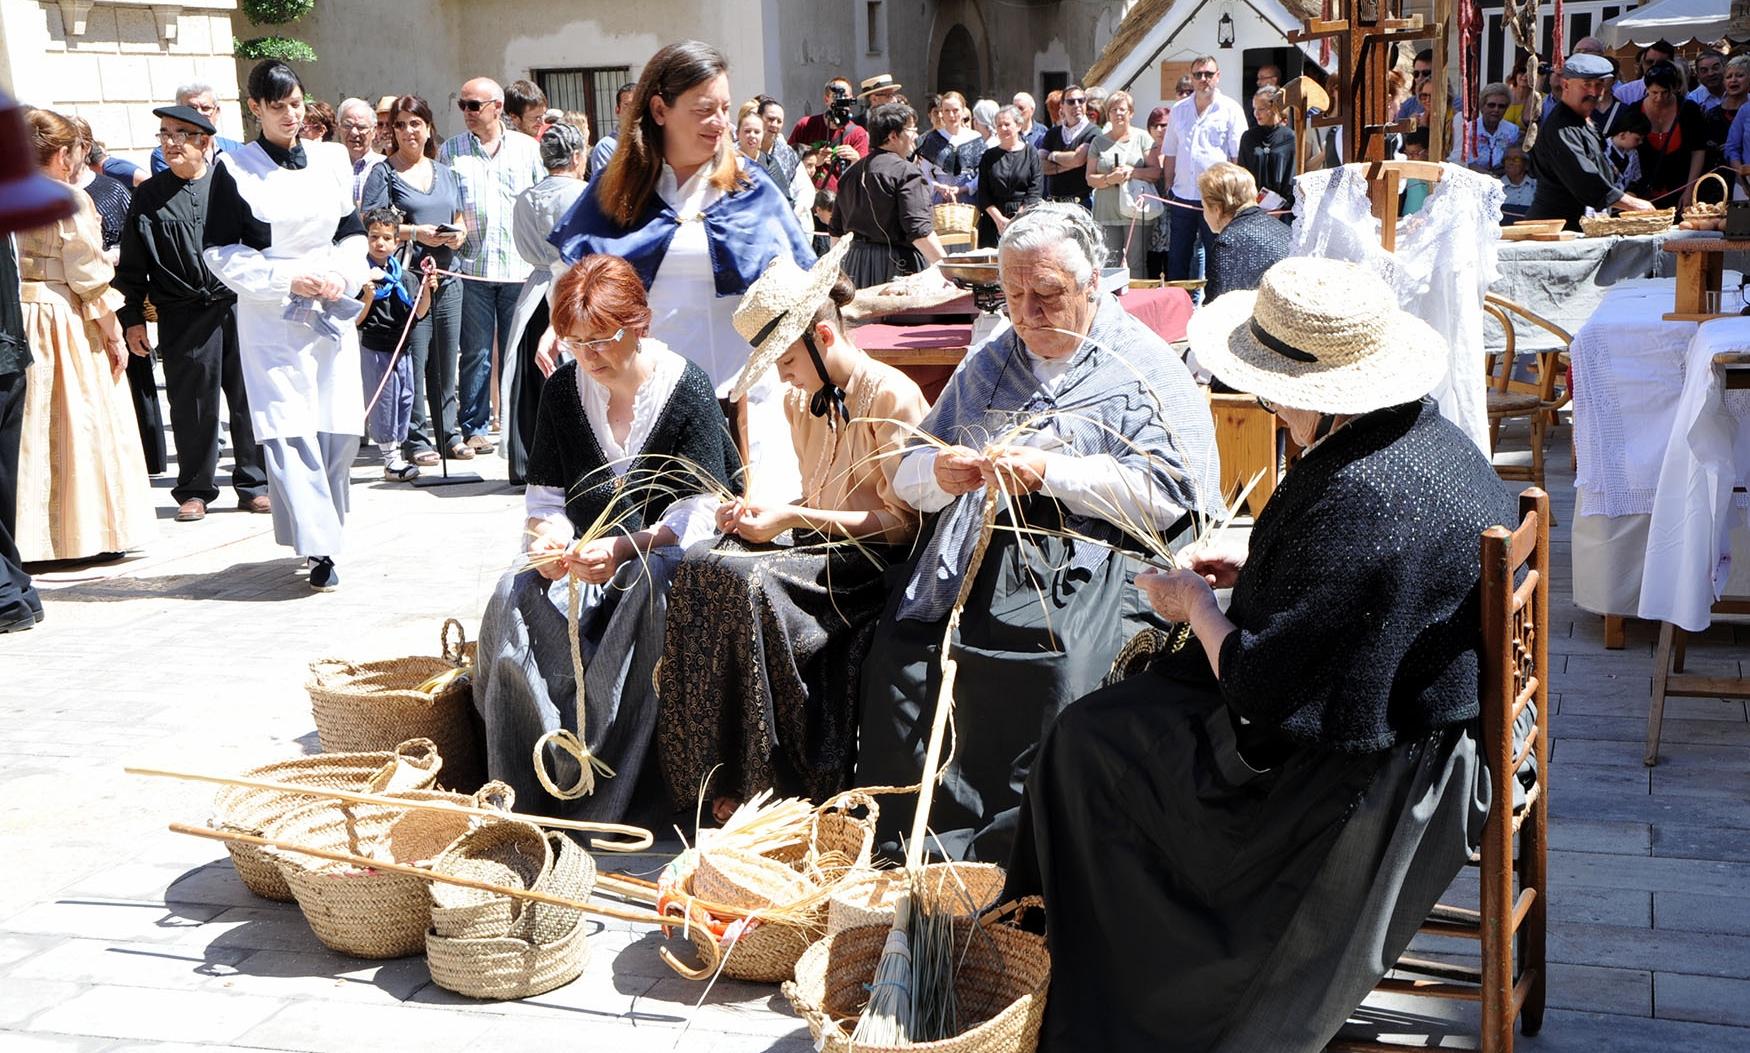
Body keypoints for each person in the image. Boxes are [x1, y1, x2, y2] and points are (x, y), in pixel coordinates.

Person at [1004, 256, 1515, 1053]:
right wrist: (1262, 574)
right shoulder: (1426, 433)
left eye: (1272, 388)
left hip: (1374, 773)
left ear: (1314, 389)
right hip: (1418, 717)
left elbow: (1257, 692)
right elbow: (1367, 592)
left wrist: (1197, 607)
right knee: (1111, 721)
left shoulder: (1362, 489)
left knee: (1084, 745)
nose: (1268, 404)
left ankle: (1120, 980)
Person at [855, 203, 1223, 863]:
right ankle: (914, 854)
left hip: (1105, 563)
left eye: (1046, 295)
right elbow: (907, 473)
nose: (1024, 314)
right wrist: (941, 471)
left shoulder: (1141, 367)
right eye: (1013, 295)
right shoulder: (995, 362)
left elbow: (1173, 495)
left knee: (1060, 668)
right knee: (903, 652)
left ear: (1092, 287)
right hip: (984, 558)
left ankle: (1022, 862)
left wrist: (1051, 471)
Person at [658, 239, 930, 817]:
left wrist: (791, 517)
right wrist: (764, 512)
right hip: (821, 547)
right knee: (707, 560)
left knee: (752, 585)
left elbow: (904, 527)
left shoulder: (893, 396)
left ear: (823, 337)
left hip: (871, 566)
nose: (783, 376)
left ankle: (774, 779)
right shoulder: (800, 399)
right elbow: (818, 494)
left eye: (786, 360)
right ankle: (711, 774)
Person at [472, 254, 741, 822]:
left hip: (660, 560)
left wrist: (624, 547)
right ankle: (526, 785)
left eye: (601, 339)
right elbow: (546, 499)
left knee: (650, 589)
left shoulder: (685, 386)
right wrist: (548, 542)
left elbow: (701, 509)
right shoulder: (563, 392)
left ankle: (611, 791)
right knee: (510, 593)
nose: (588, 355)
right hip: (582, 562)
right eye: (574, 341)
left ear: (639, 323)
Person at [549, 40, 816, 504]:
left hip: (747, 407)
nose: (721, 123)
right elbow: (575, 282)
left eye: (725, 109)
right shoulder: (614, 196)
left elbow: (806, 297)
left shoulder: (755, 193)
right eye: (704, 109)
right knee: (651, 549)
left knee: (743, 553)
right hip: (649, 408)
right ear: (658, 109)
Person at [203, 59, 372, 592]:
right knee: (288, 426)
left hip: (329, 309)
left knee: (337, 426)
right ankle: (319, 545)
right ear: (255, 109)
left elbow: (352, 232)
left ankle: (328, 529)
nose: (290, 116)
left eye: (297, 104)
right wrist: (288, 279)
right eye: (278, 107)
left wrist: (342, 277)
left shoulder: (332, 158)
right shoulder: (235, 168)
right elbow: (219, 250)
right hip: (273, 318)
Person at [114, 103, 269, 523]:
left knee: (246, 397)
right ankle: (196, 489)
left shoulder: (233, 185)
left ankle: (254, 483)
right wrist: (132, 319)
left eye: (179, 134)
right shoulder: (148, 195)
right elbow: (132, 264)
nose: (170, 142)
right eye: (164, 134)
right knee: (191, 404)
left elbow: (261, 243)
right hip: (182, 314)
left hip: (237, 306)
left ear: (205, 141)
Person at [16, 108, 153, 565]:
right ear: (60, 155)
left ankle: (27, 536)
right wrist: (113, 330)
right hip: (63, 313)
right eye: (76, 151)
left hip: (17, 311)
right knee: (81, 417)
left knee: (31, 426)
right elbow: (88, 274)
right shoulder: (67, 199)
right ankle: (82, 534)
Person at [438, 76, 546, 456]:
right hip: (474, 266)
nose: (466, 112)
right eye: (462, 105)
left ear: (497, 107)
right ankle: (475, 427)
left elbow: (541, 198)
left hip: (519, 267)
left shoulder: (527, 149)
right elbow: (446, 202)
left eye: (474, 105)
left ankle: (519, 427)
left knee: (518, 351)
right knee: (476, 352)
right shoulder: (451, 151)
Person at [362, 95, 469, 465]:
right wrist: (413, 232)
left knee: (446, 361)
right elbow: (371, 223)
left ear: (428, 128)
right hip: (410, 283)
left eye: (415, 123)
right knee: (415, 360)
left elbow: (460, 218)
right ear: (392, 130)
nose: (409, 131)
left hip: (448, 277)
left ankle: (449, 433)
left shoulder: (446, 172)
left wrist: (457, 235)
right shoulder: (384, 172)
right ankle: (416, 437)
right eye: (401, 124)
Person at [503, 121, 588, 487]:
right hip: (574, 286)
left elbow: (523, 247)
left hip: (535, 289)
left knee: (528, 378)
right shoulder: (585, 194)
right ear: (576, 155)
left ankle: (527, 461)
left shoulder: (524, 198)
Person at [1527, 53, 1655, 229]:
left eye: (1599, 85)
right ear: (1566, 85)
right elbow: (1585, 179)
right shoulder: (1561, 128)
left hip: (1583, 225)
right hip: (1555, 228)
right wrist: (1633, 204)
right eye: (1586, 85)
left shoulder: (1585, 122)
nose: (1594, 92)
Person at [356, 207, 435, 482]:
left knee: (404, 397)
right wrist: (367, 296)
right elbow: (357, 319)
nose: (380, 243)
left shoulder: (405, 277)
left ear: (396, 242)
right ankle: (389, 459)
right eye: (374, 237)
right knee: (383, 401)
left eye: (387, 238)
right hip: (375, 345)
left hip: (401, 347)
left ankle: (397, 452)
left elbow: (419, 313)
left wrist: (426, 289)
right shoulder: (360, 273)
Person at [831, 102, 947, 288]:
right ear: (893, 136)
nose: (916, 135)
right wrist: (949, 271)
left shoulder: (850, 174)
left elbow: (836, 233)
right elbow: (919, 231)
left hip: (854, 267)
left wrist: (836, 275)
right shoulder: (906, 173)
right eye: (911, 129)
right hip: (896, 269)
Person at [1161, 55, 1246, 294]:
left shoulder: (1231, 109)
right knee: (1178, 258)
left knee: (1217, 257)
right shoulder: (1178, 110)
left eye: (1208, 74)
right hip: (1182, 196)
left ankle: (1215, 310)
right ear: (1192, 78)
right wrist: (1168, 188)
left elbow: (1237, 157)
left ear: (1217, 77)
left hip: (1216, 198)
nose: (1203, 79)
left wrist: (1234, 196)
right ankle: (1176, 310)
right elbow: (1170, 152)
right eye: (1198, 75)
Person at [0, 228, 41, 630]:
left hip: (7, 358)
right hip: (10, 358)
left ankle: (6, 597)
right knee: (1, 488)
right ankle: (16, 588)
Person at [1087, 90, 1159, 278]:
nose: (1118, 113)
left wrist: (1132, 172)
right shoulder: (1098, 141)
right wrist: (1109, 179)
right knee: (1108, 265)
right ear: (1108, 114)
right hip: (1105, 212)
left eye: (1123, 109)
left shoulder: (1143, 138)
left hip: (1135, 210)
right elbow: (1089, 178)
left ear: (1131, 113)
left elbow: (1155, 172)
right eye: (1113, 109)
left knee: (1134, 265)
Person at [1199, 162, 1291, 303]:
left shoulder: (1228, 243)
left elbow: (1216, 309)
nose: (1203, 213)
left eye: (1203, 206)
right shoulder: (1284, 229)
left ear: (1217, 209)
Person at [1636, 62, 1709, 211]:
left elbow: (1698, 151)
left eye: (1665, 92)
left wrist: (1690, 190)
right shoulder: (1635, 111)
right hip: (1644, 193)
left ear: (1675, 88)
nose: (1659, 98)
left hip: (1681, 189)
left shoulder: (1689, 110)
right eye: (1654, 93)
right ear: (1646, 89)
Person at [975, 105, 1044, 249]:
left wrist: (1017, 219)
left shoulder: (1031, 153)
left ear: (1018, 125)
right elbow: (983, 193)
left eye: (1007, 124)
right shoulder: (988, 156)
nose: (1003, 128)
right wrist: (999, 220)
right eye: (999, 125)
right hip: (993, 221)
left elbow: (1035, 190)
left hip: (1025, 218)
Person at [790, 76, 870, 193]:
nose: (841, 100)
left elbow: (864, 174)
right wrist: (813, 160)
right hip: (809, 198)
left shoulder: (858, 133)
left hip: (840, 200)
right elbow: (788, 160)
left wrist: (855, 159)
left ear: (851, 99)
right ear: (826, 99)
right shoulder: (806, 125)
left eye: (845, 96)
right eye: (836, 96)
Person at [150, 82, 243, 174]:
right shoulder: (166, 154)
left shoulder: (237, 150)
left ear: (217, 112)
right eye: (191, 109)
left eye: (206, 108)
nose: (199, 114)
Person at [916, 91, 985, 202]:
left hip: (968, 197)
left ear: (963, 111)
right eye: (947, 111)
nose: (951, 115)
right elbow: (924, 172)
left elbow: (982, 172)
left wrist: (964, 188)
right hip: (941, 197)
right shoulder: (933, 138)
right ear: (942, 112)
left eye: (955, 110)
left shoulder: (975, 138)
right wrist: (938, 187)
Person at [1039, 83, 1100, 208]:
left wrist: (1053, 155)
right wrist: (1067, 164)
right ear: (1062, 106)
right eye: (1071, 102)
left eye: (1081, 101)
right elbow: (1039, 165)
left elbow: (1078, 159)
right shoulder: (1052, 133)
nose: (1077, 105)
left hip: (1082, 203)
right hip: (1054, 204)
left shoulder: (1094, 132)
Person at [1237, 85, 1295, 210]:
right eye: (1254, 109)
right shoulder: (1248, 137)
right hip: (1253, 206)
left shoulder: (1289, 137)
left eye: (1261, 109)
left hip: (1283, 210)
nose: (1256, 113)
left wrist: (1282, 206)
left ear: (1275, 108)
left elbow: (1292, 174)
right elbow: (1242, 172)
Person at [1448, 81, 1520, 176]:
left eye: (1501, 106)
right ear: (1482, 107)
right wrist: (1488, 176)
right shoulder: (1468, 130)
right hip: (1472, 178)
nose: (1496, 109)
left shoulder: (1512, 130)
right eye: (1491, 105)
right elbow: (1464, 161)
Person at [1705, 55, 1749, 185]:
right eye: (1729, 77)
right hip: (1721, 179)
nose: (1733, 80)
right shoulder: (1711, 115)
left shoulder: (1746, 109)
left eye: (1740, 76)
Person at [336, 98, 384, 209]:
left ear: (374, 130)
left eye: (361, 127)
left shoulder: (385, 166)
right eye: (347, 126)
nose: (354, 133)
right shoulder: (329, 165)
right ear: (338, 128)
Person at [587, 83, 637, 181]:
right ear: (618, 110)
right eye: (627, 106)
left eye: (638, 105)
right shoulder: (606, 147)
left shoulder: (655, 142)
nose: (634, 111)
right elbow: (604, 189)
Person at [1616, 39, 1677, 107]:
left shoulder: (1679, 91)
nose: (1654, 66)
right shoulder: (1624, 93)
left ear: (1671, 64)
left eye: (1660, 63)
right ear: (1642, 64)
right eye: (1649, 62)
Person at [1608, 110, 1649, 193]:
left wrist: (1632, 191)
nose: (1641, 142)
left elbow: (1636, 179)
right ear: (1622, 135)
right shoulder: (1602, 150)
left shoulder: (1633, 154)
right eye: (1637, 139)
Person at [1500, 143, 1538, 219]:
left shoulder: (1537, 186)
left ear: (1526, 164)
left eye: (1516, 159)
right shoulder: (1496, 187)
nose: (1511, 163)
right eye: (1508, 159)